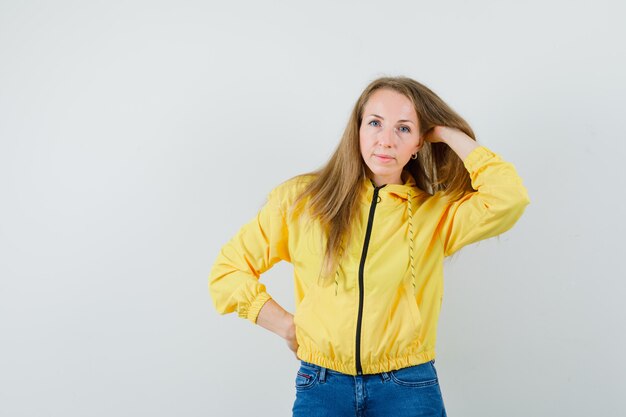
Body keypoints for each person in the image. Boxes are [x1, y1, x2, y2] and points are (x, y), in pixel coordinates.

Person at [208, 76, 530, 416]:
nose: (386, 140)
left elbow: (509, 198)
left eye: (404, 129)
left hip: (408, 387)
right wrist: (286, 325)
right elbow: (227, 271)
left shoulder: (433, 215)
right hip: (322, 386)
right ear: (358, 129)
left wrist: (448, 133)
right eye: (375, 123)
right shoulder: (302, 201)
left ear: (419, 143)